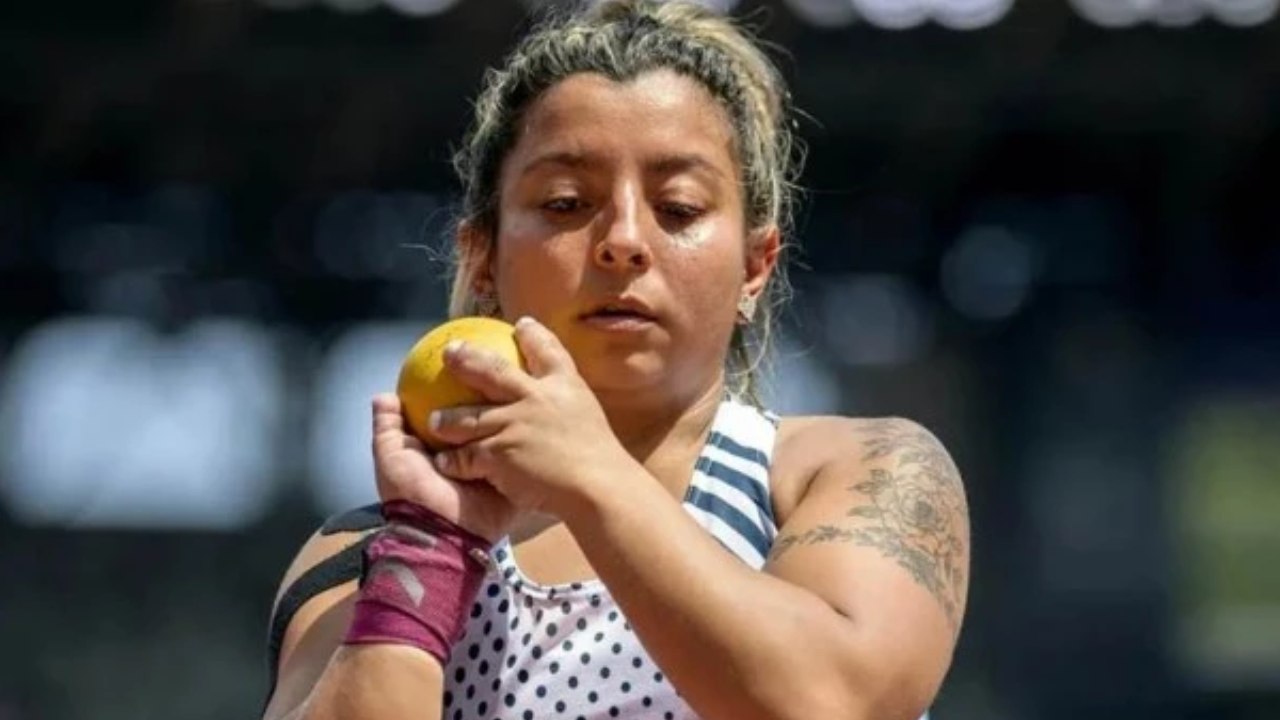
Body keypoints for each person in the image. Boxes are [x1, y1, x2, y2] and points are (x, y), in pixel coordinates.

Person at [260, 2, 970, 719]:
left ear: (755, 268)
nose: (624, 240)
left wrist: (588, 473)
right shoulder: (369, 554)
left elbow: (833, 702)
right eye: (567, 204)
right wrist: (432, 552)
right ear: (482, 259)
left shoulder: (855, 473)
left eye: (680, 208)